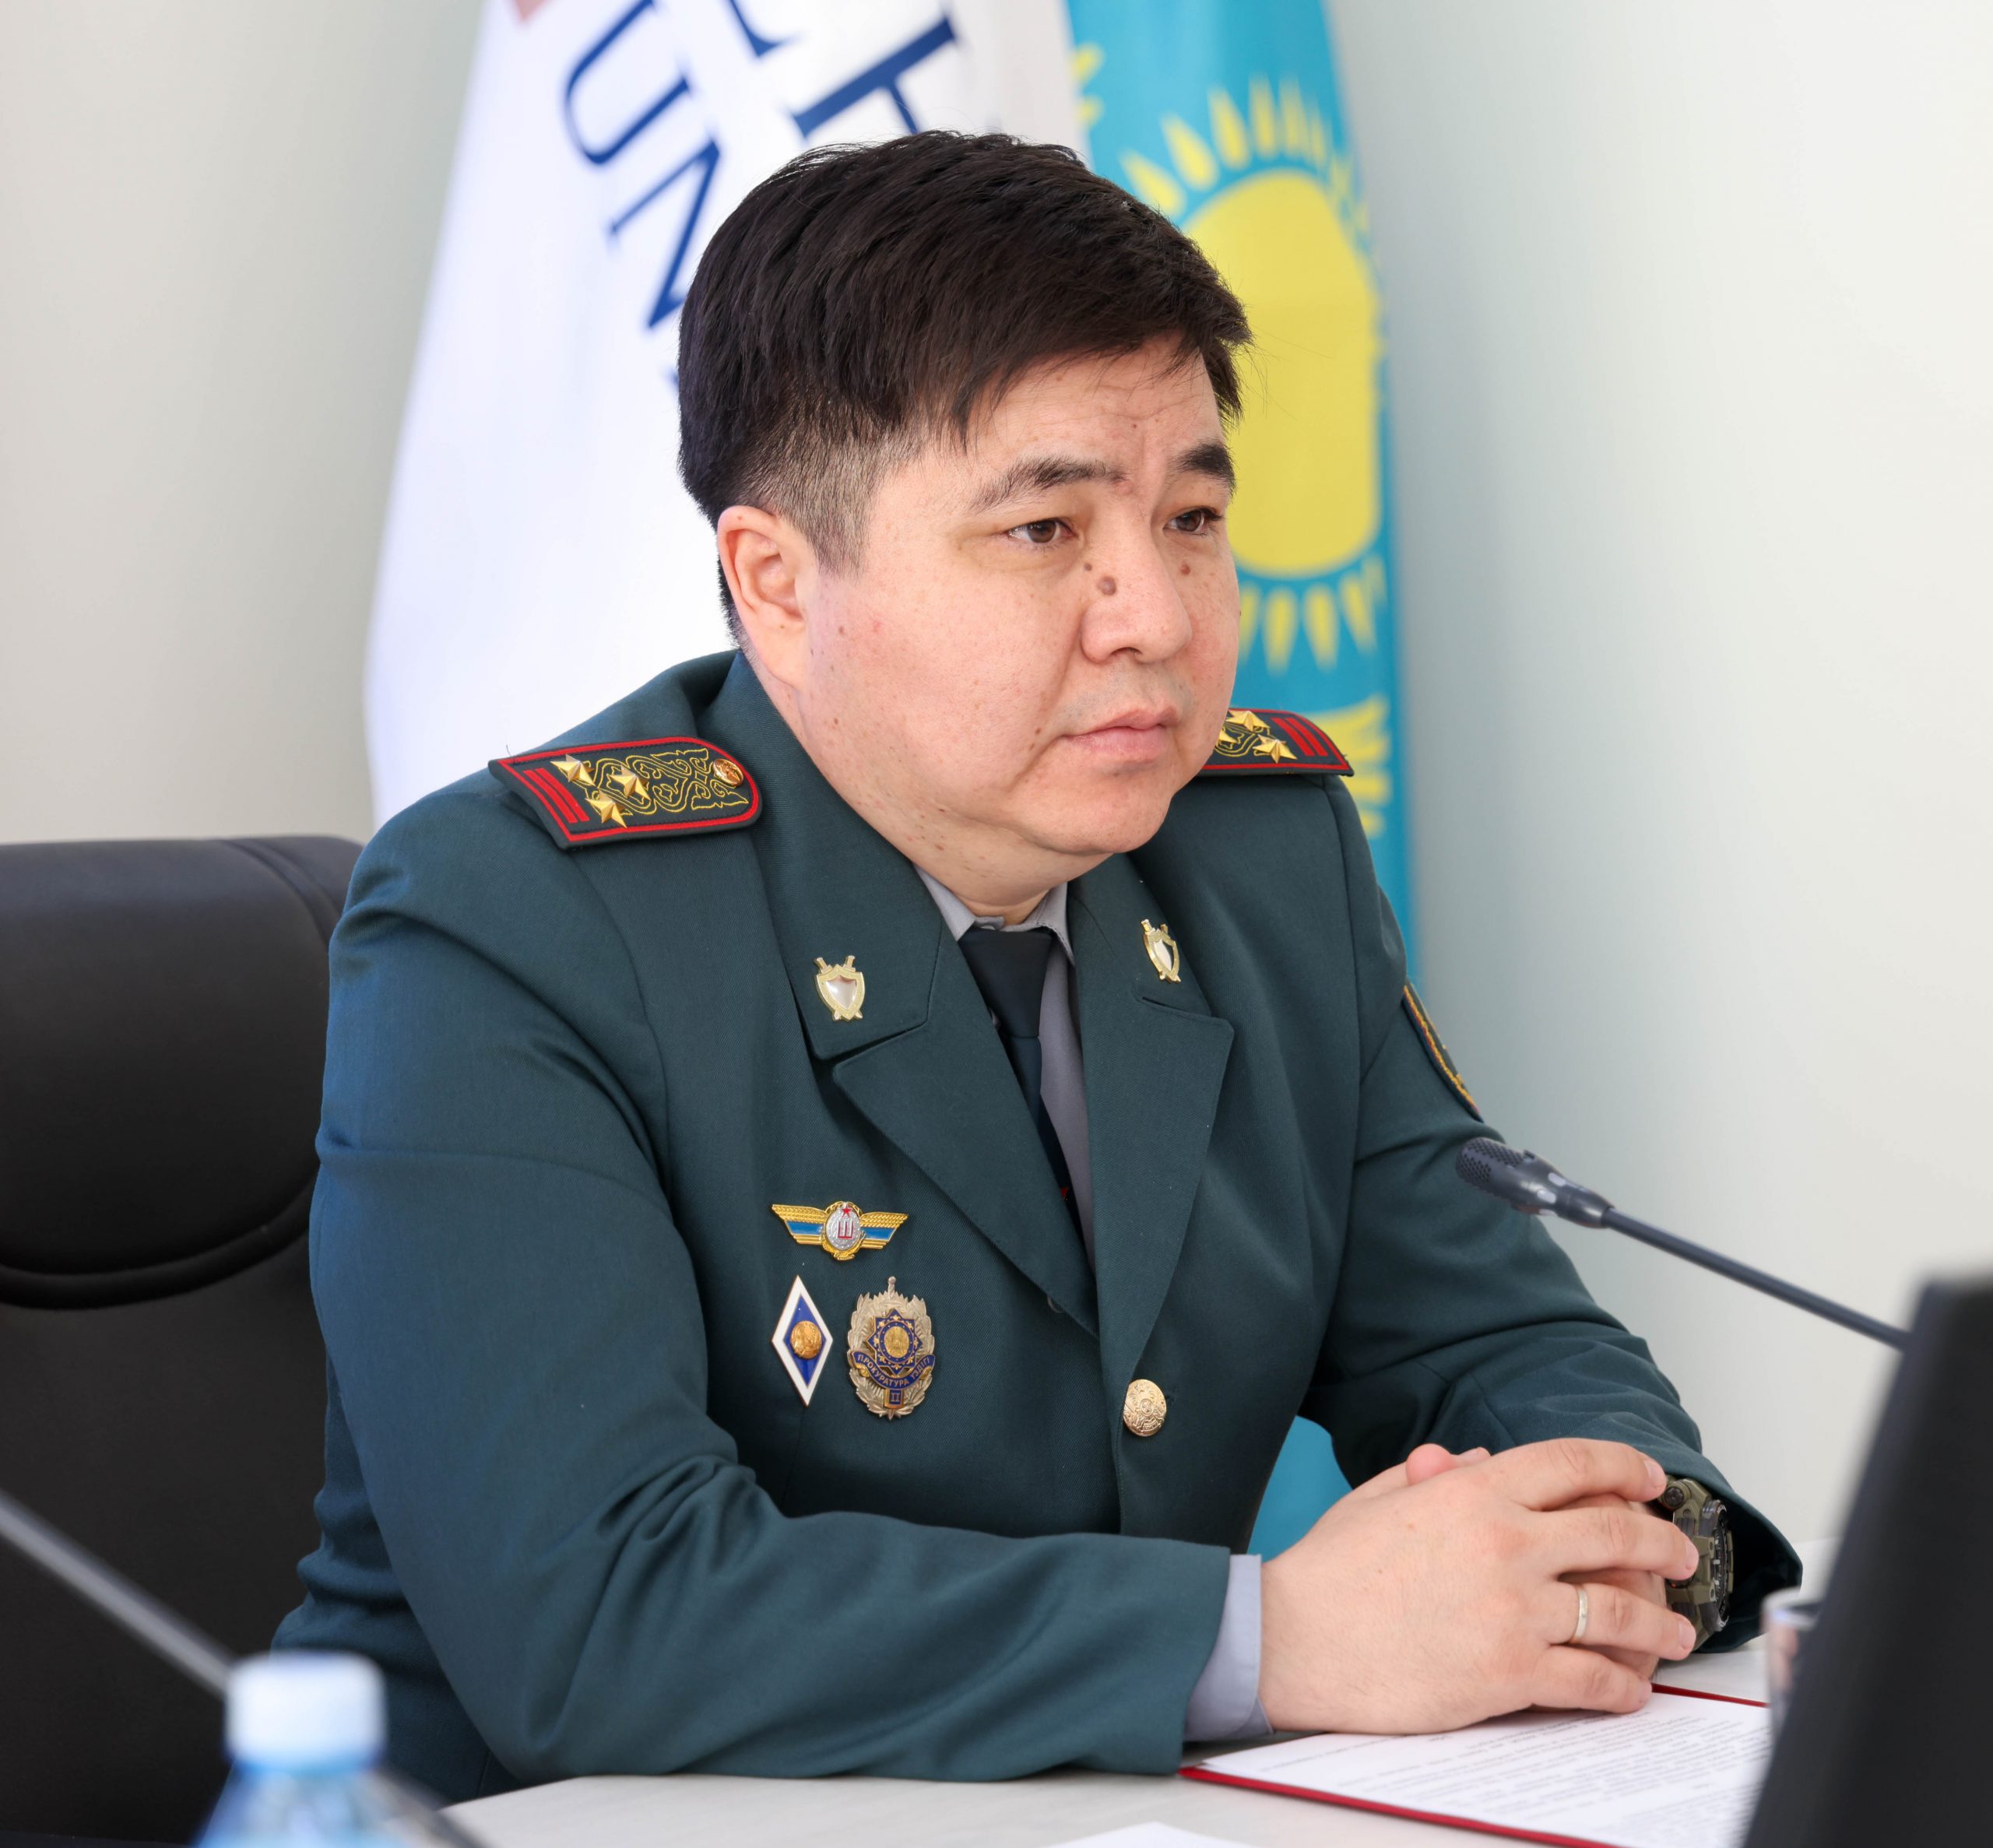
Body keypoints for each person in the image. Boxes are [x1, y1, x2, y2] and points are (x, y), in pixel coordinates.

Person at [277, 132, 1798, 1801]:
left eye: (1192, 516)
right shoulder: (513, 924)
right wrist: (1269, 1635)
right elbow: (604, 1615)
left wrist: (1621, 1542)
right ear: (777, 585)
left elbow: (1504, 1343)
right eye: (1043, 529)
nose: (1155, 614)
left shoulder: (1259, 859)